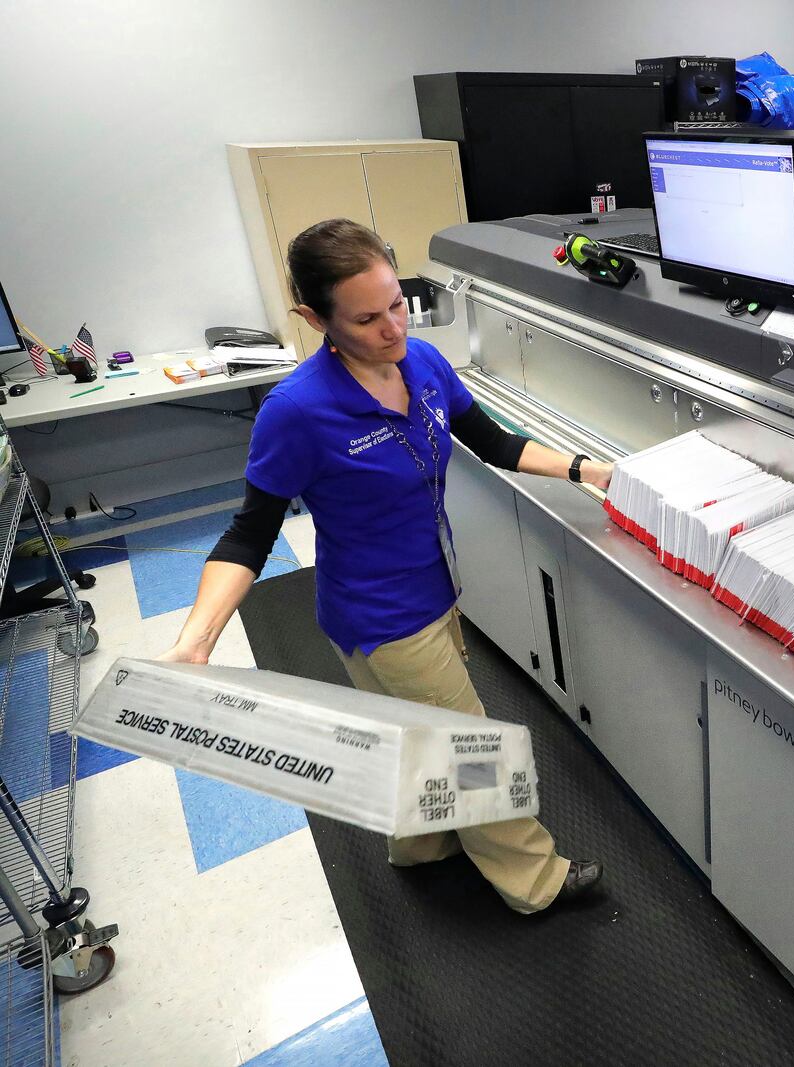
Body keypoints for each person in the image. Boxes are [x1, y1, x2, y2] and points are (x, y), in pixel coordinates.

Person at [160, 218, 609, 913]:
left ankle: (424, 844)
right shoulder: (298, 412)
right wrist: (196, 641)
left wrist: (587, 470)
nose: (392, 329)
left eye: (397, 304)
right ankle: (536, 882)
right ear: (314, 318)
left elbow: (492, 440)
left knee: (416, 730)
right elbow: (250, 534)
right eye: (367, 318)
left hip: (432, 587)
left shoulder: (422, 363)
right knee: (473, 752)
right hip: (383, 613)